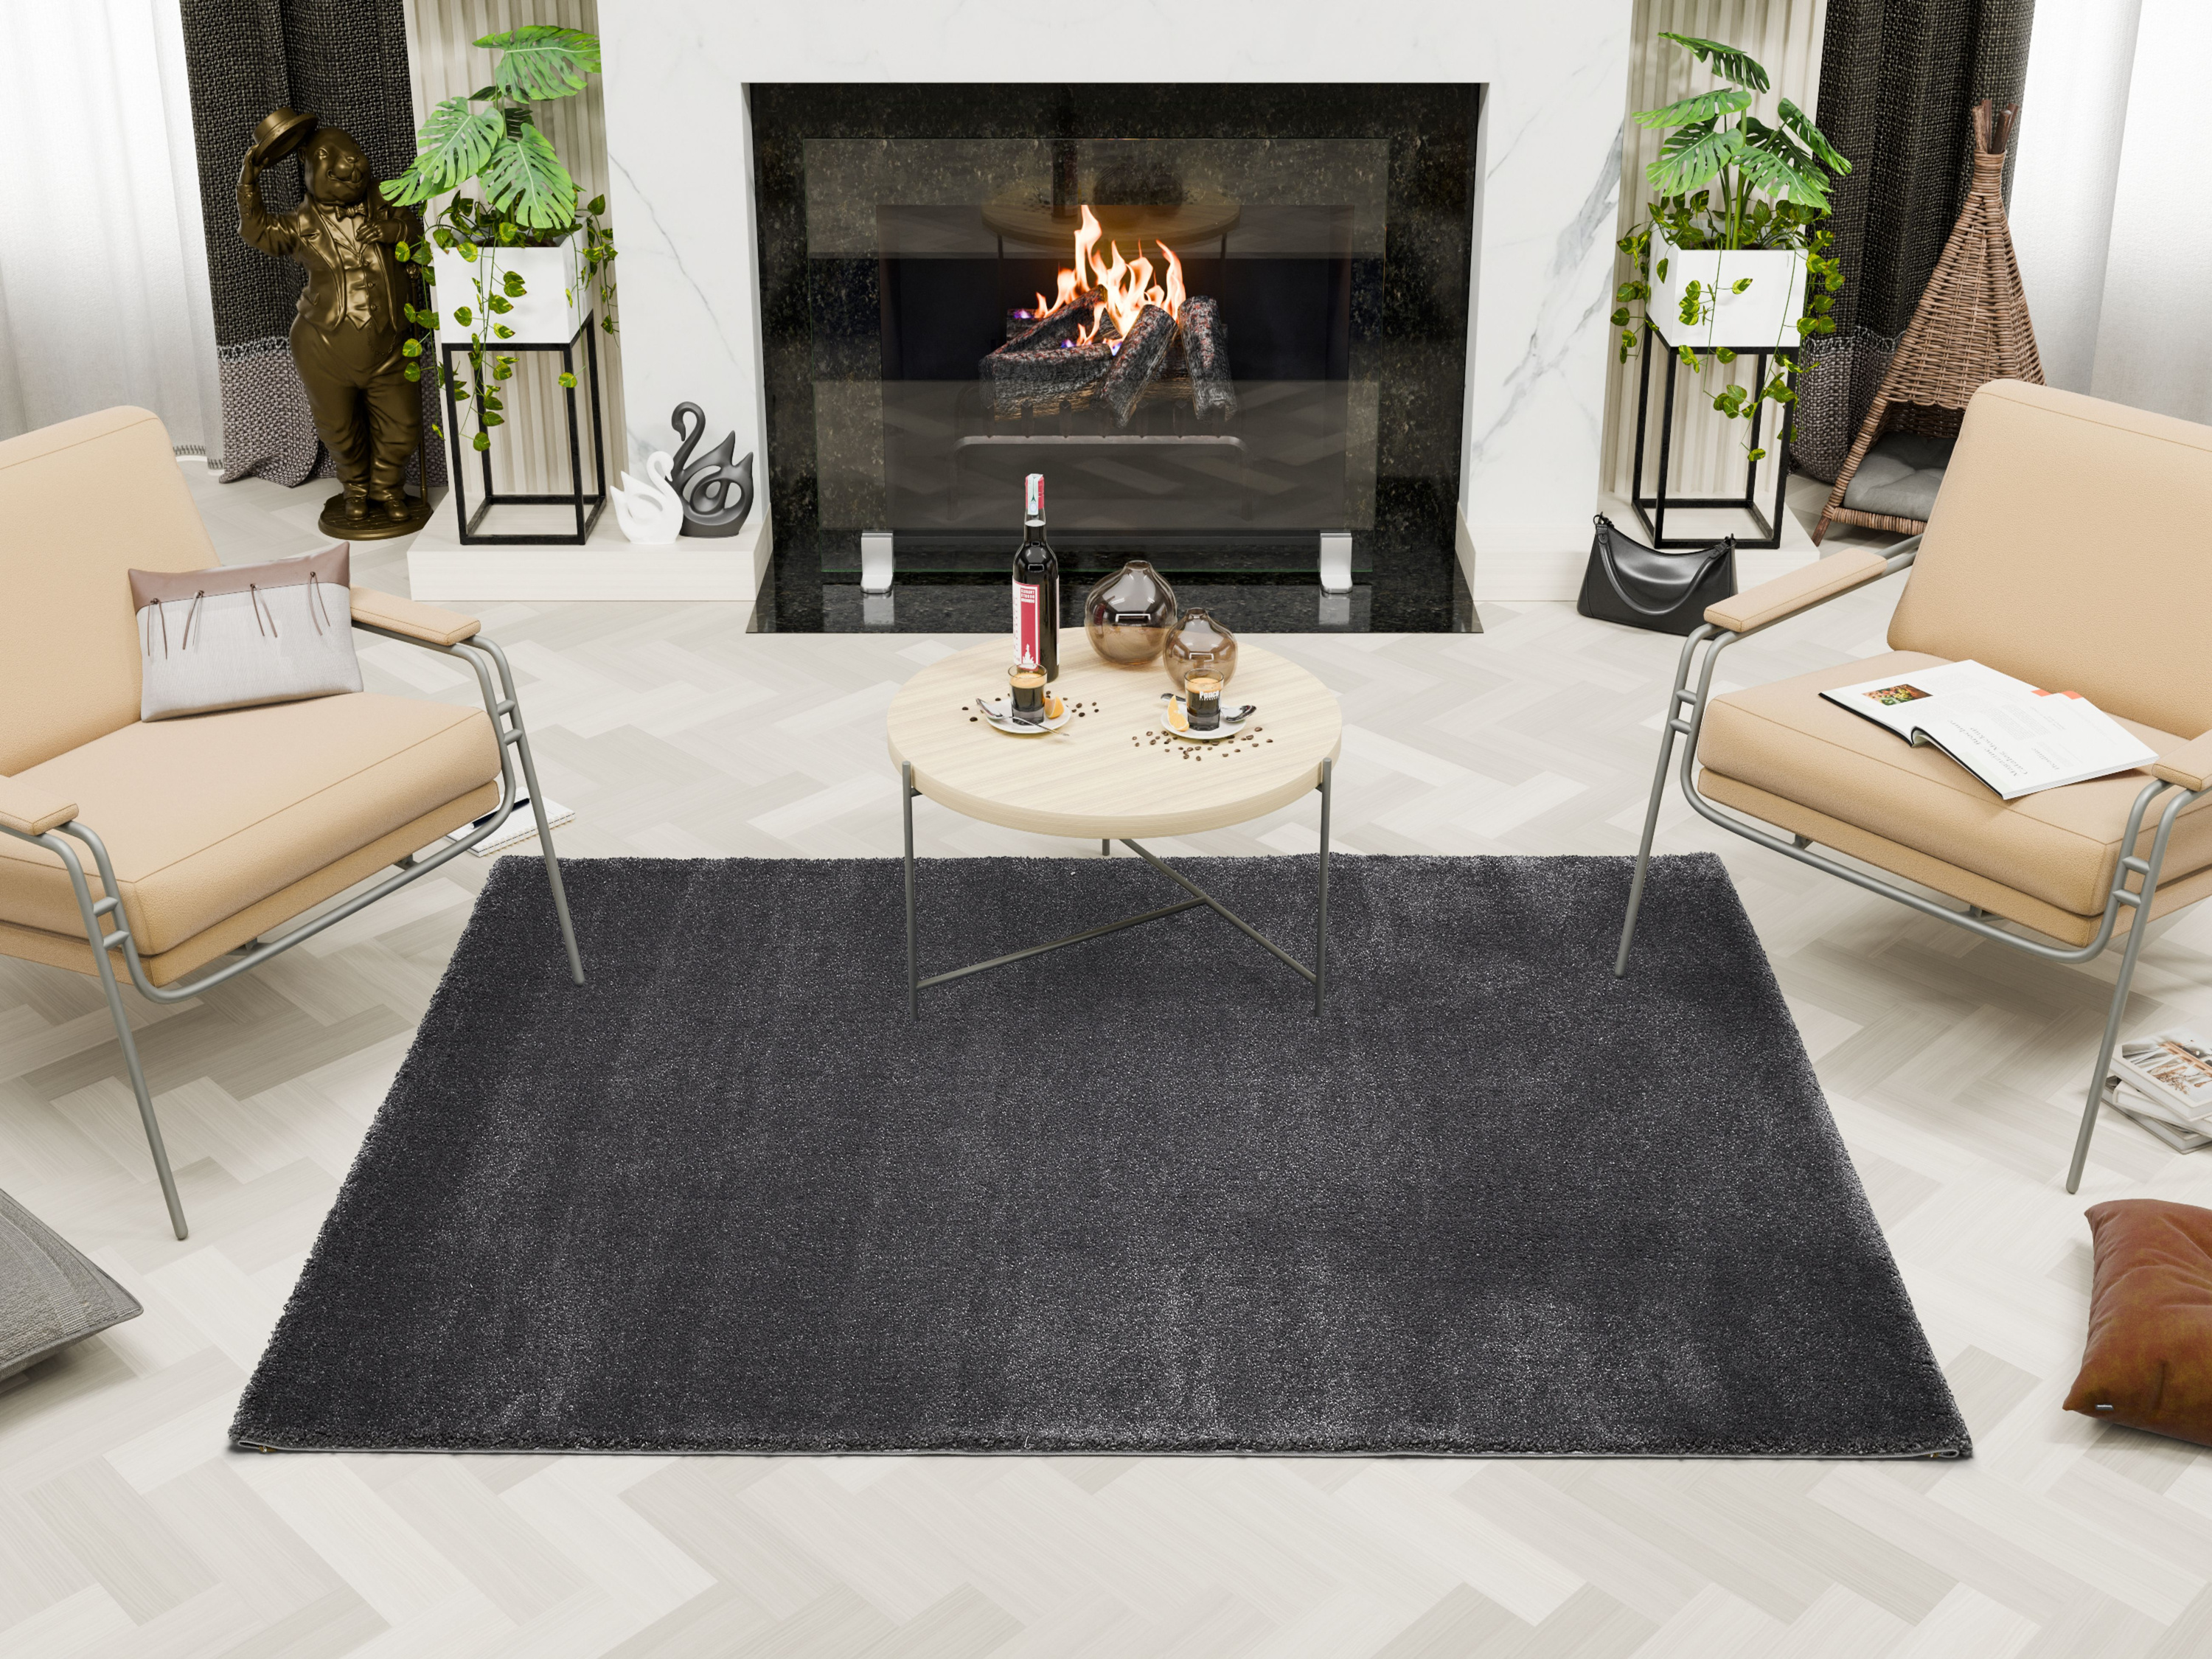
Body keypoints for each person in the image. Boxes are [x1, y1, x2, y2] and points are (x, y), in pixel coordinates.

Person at [237, 119, 424, 531]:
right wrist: (249, 182)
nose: (348, 162)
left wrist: (396, 231)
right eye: (327, 156)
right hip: (322, 345)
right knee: (338, 428)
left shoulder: (389, 203)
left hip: (390, 342)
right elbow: (256, 231)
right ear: (308, 169)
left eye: (351, 151)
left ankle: (388, 488)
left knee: (403, 424)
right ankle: (355, 488)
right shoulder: (298, 225)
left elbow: (420, 236)